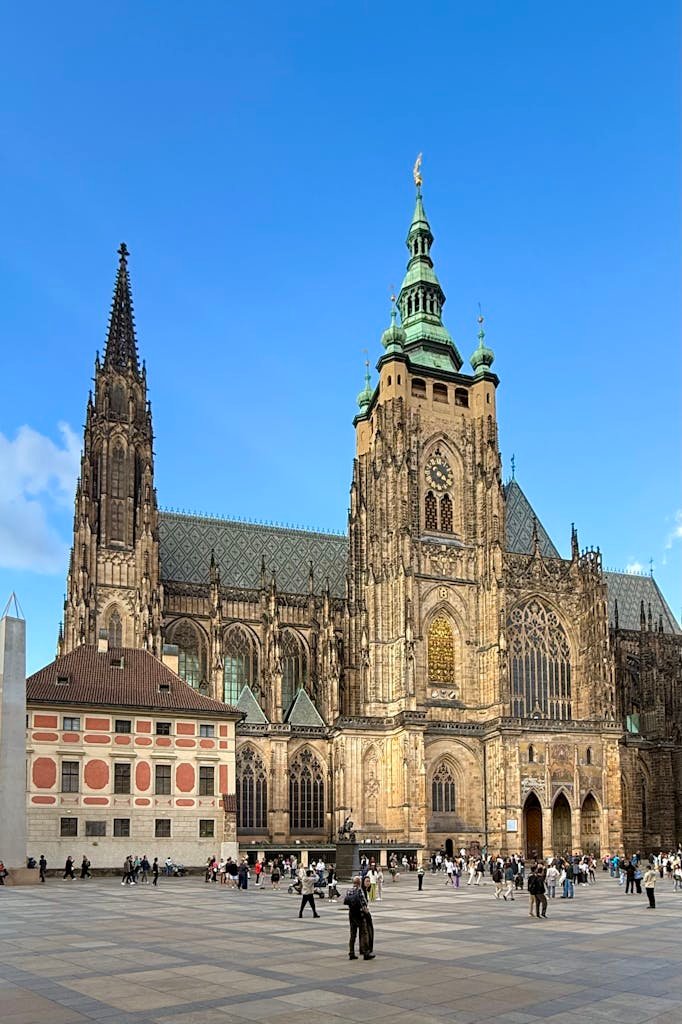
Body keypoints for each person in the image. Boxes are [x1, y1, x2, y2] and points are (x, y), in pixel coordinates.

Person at [344, 875, 375, 960]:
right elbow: (364, 903)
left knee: (353, 934)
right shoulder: (359, 891)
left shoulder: (349, 891)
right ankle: (366, 953)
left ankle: (351, 953)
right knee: (364, 933)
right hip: (359, 914)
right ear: (359, 883)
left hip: (351, 914)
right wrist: (367, 913)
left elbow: (347, 901)